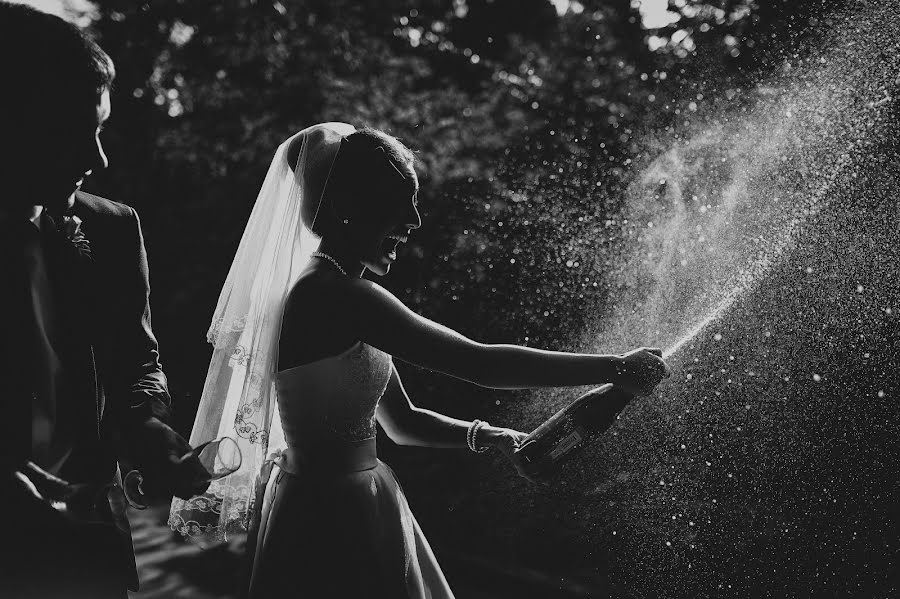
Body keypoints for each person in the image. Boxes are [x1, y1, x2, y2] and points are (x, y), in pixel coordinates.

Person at [169, 122, 669, 598]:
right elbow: (480, 364)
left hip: (354, 499)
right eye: (399, 204)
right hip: (331, 516)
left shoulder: (342, 292)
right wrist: (612, 368)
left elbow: (402, 423)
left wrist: (489, 435)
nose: (414, 221)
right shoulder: (336, 294)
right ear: (349, 206)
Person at [0, 4, 210, 598]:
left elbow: (136, 362)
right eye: (70, 132)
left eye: (100, 129)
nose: (98, 160)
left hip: (85, 547)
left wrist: (145, 425)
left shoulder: (113, 230)